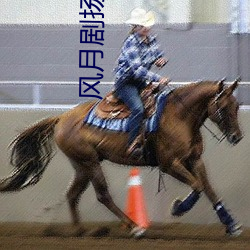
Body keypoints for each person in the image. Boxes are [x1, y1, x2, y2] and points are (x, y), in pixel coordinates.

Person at [113, 8, 169, 158]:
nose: (145, 28)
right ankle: (132, 144)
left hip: (140, 81)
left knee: (161, 101)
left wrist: (161, 60)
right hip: (126, 82)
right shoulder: (131, 42)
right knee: (138, 108)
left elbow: (159, 55)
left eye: (146, 25)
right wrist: (159, 79)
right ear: (135, 27)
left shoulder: (152, 40)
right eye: (142, 25)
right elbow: (137, 69)